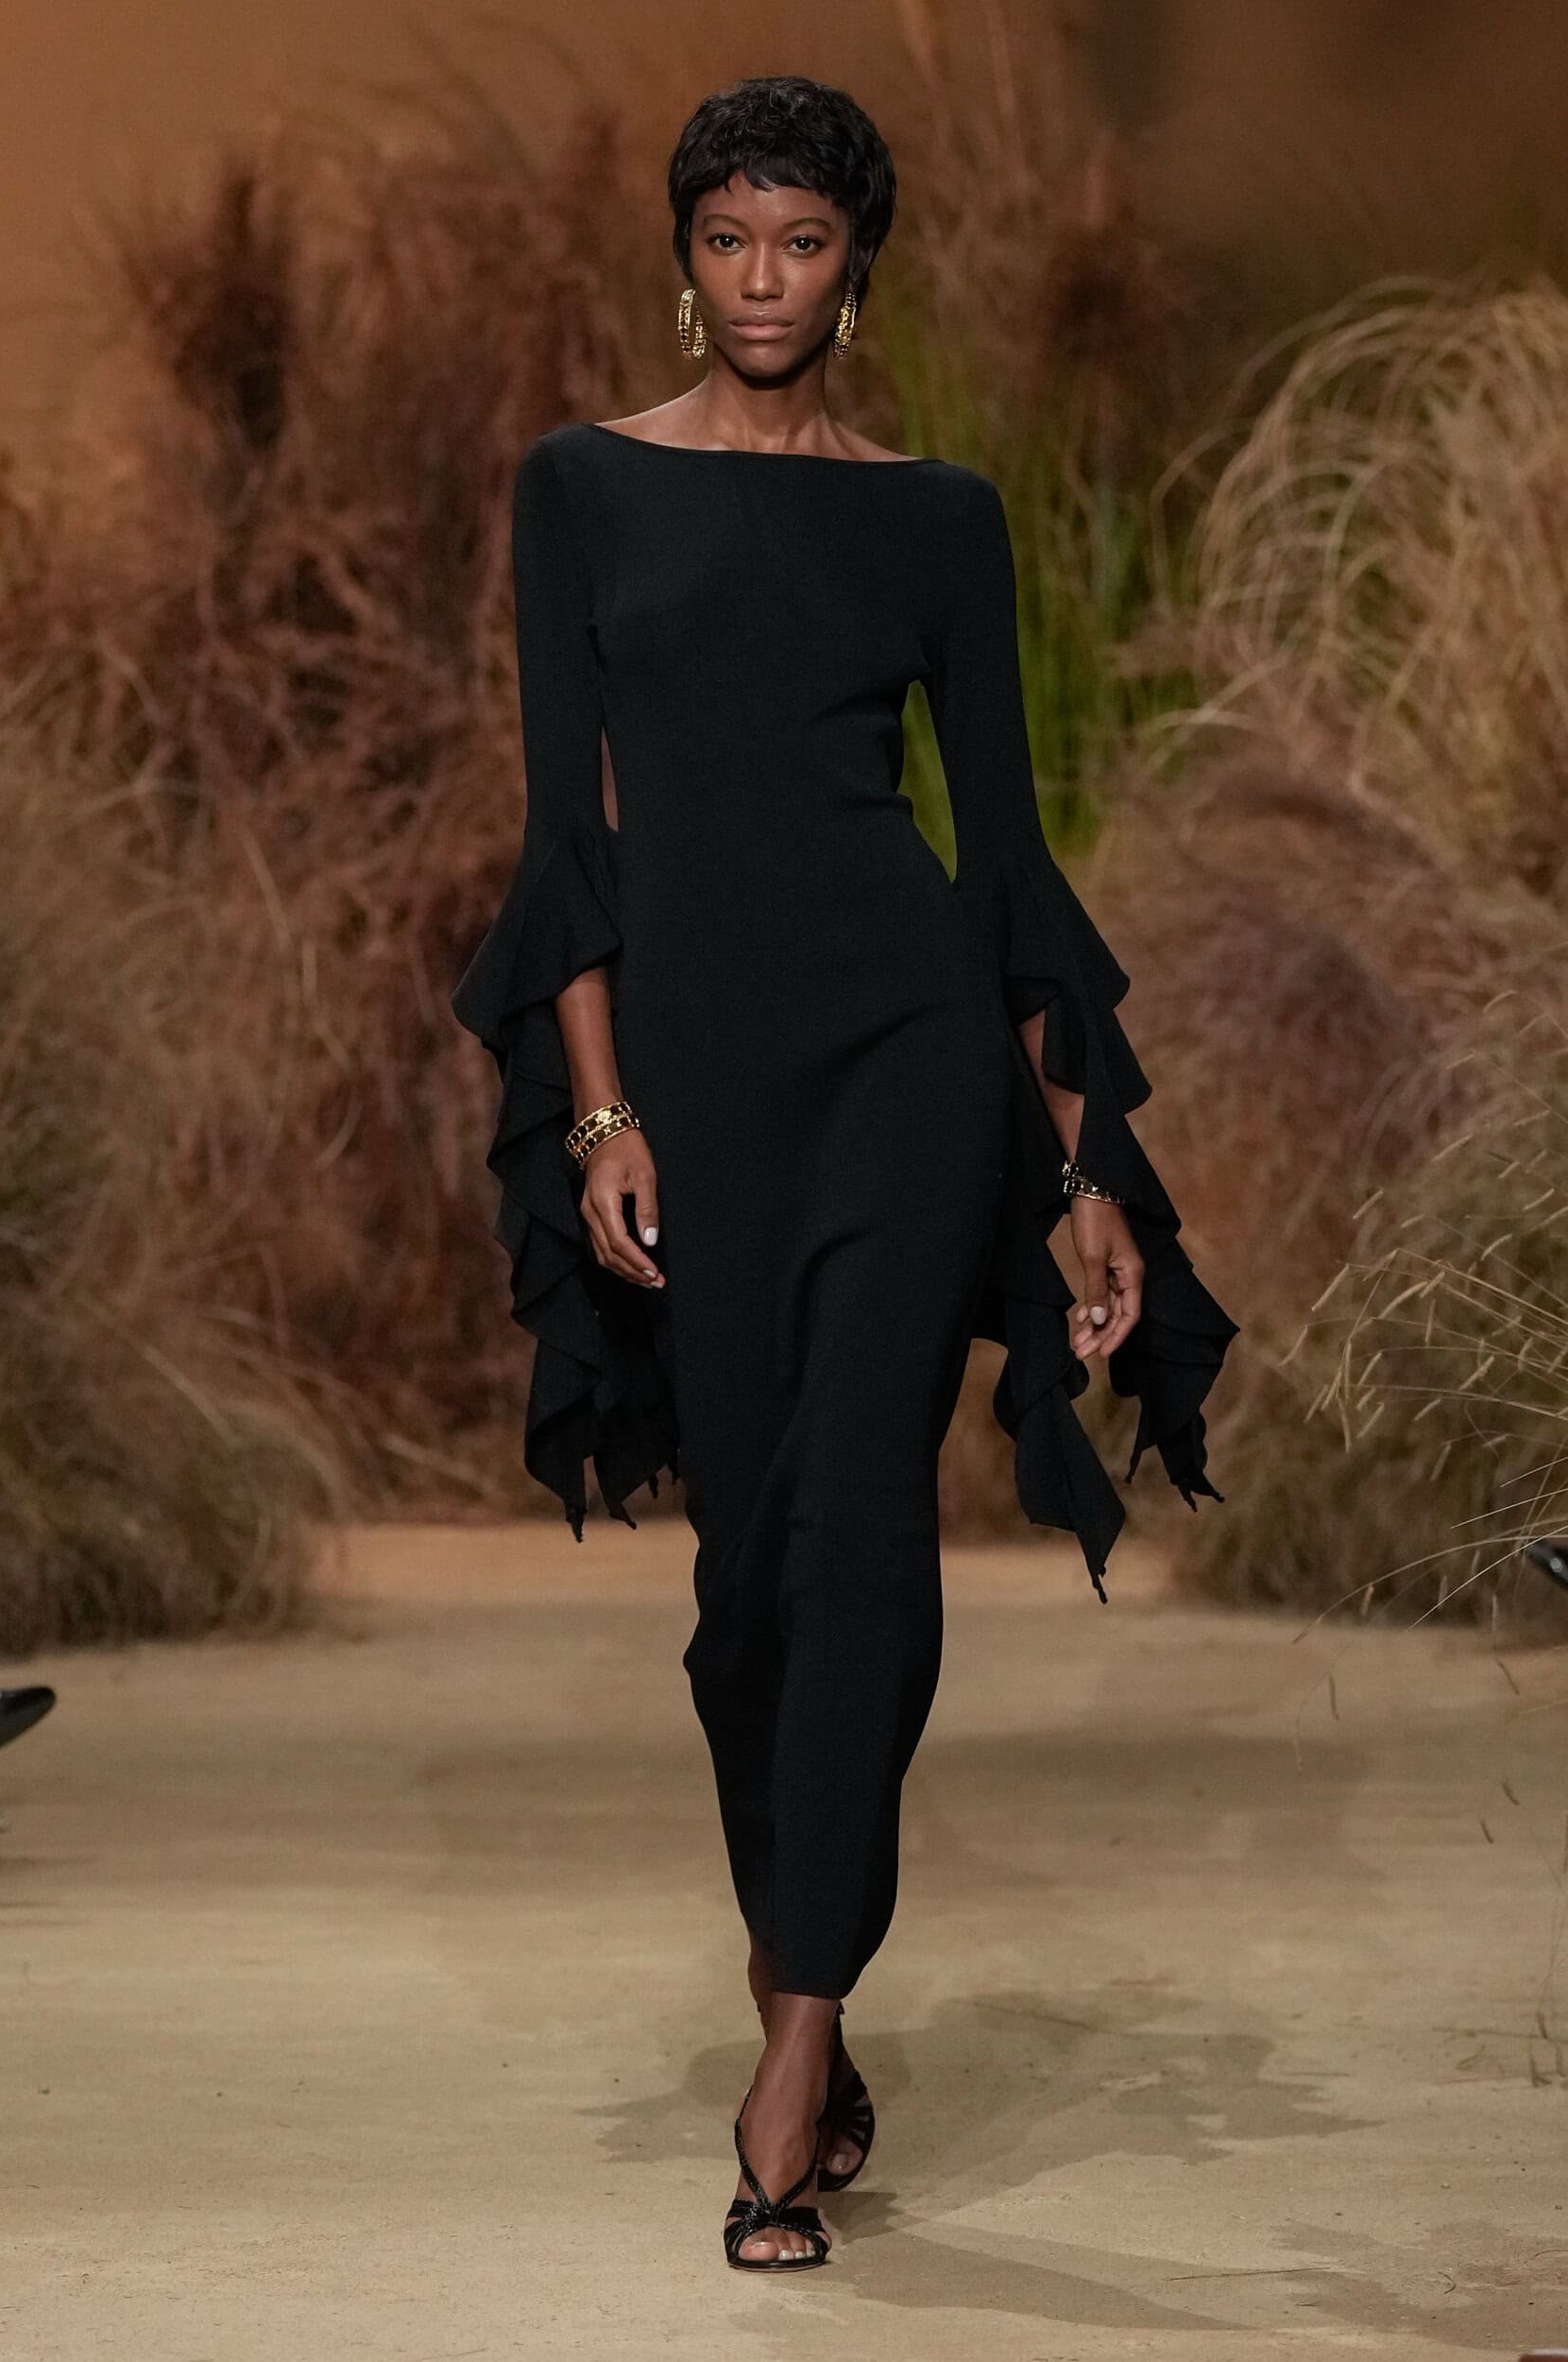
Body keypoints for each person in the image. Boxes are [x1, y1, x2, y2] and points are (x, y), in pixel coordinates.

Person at [452, 73, 1237, 2272]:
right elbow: (568, 835)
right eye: (730, 239)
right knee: (747, 1594)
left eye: (802, 242)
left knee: (866, 1525)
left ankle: (796, 2048)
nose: (765, 279)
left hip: (905, 1052)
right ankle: (801, 1941)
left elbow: (1002, 861)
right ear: (683, 257)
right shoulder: (580, 488)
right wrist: (601, 1109)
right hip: (696, 1075)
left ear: (856, 269)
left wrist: (1074, 1164)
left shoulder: (937, 519)